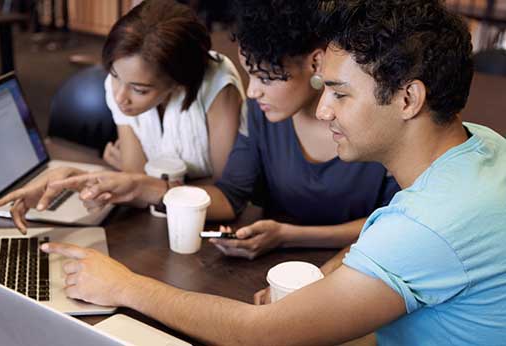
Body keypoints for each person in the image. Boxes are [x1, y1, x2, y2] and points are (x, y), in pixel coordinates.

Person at [36, 0, 506, 344]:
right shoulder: (482, 144)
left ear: (408, 99)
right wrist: (324, 279)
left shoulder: (424, 227)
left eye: (340, 94)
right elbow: (384, 239)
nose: (323, 110)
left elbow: (260, 335)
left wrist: (124, 285)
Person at [0, 0, 399, 259]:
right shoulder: (263, 113)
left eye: (266, 76)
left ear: (314, 64)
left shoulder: (373, 120)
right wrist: (129, 186)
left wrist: (290, 235)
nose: (252, 89)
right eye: (249, 73)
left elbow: (397, 222)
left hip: (361, 265)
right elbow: (228, 196)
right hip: (274, 262)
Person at [100, 0, 245, 179]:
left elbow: (229, 189)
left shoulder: (217, 85)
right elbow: (135, 177)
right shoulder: (122, 83)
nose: (119, 97)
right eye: (114, 75)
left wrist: (143, 184)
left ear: (178, 81)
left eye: (139, 90)